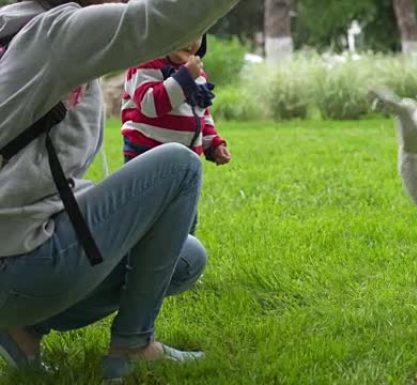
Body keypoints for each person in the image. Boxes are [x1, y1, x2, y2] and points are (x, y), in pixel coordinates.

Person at [0, 0, 239, 382]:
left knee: (185, 257)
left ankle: (22, 330)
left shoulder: (12, 25)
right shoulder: (60, 34)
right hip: (18, 267)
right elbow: (164, 20)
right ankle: (133, 344)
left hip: (13, 254)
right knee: (179, 166)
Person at [121, 36, 232, 234]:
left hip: (186, 163)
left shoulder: (197, 73)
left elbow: (202, 114)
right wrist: (184, 78)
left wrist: (213, 143)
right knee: (145, 218)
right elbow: (150, 105)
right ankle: (137, 259)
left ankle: (181, 258)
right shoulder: (147, 63)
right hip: (146, 156)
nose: (189, 41)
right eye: (182, 31)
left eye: (197, 34)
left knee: (183, 218)